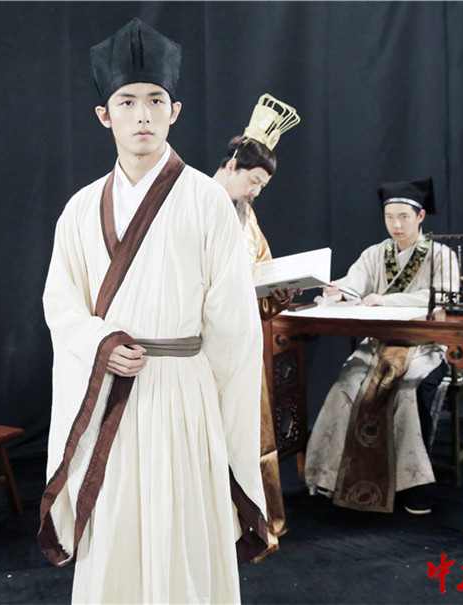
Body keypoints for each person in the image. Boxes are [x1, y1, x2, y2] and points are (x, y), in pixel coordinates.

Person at [39, 18, 268, 603]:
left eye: (155, 101)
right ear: (104, 115)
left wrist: (223, 422)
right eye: (127, 102)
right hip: (111, 393)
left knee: (182, 525)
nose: (142, 115)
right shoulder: (80, 209)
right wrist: (100, 342)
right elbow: (61, 305)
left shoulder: (208, 202)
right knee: (116, 526)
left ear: (175, 111)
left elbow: (236, 329)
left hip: (183, 394)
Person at [304, 177, 460, 515]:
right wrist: (339, 291)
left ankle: (413, 486)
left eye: (404, 216)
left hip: (423, 346)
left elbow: (444, 297)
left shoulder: (441, 255)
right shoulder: (375, 254)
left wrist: (387, 299)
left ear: (420, 217)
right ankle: (332, 476)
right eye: (390, 217)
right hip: (378, 344)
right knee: (346, 386)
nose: (396, 225)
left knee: (407, 391)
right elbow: (354, 284)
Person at [212, 93, 300, 559]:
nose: (256, 192)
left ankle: (257, 523)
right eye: (254, 181)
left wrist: (278, 291)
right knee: (213, 439)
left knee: (255, 433)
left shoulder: (247, 215)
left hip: (245, 341)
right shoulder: (195, 201)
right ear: (232, 166)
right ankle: (214, 528)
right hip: (206, 347)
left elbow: (262, 269)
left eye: (263, 185)